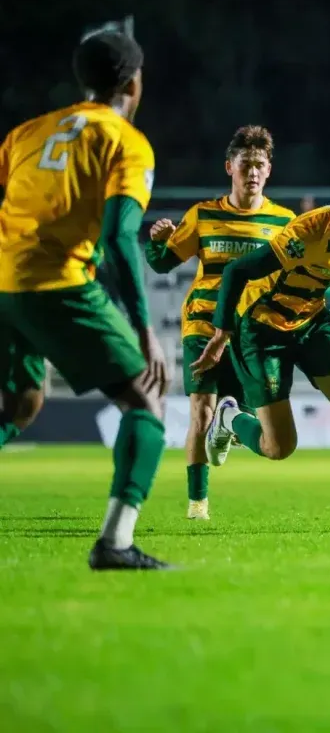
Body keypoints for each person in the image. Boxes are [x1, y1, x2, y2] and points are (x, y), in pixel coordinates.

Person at [0, 30, 171, 569]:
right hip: (58, 283)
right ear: (135, 83)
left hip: (4, 280)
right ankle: (115, 544)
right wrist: (144, 330)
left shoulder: (27, 131)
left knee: (21, 403)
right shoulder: (126, 141)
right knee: (146, 402)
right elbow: (122, 237)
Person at [190, 162, 330, 532]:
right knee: (279, 447)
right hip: (263, 329)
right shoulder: (312, 229)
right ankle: (227, 418)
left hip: (311, 322)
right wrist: (221, 335)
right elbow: (237, 272)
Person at [143, 125, 294, 521]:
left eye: (260, 165)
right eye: (246, 164)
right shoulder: (203, 215)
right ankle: (198, 504)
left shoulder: (284, 222)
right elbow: (161, 263)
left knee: (248, 419)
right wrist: (157, 239)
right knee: (201, 413)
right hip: (203, 325)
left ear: (269, 171)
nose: (253, 172)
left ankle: (229, 421)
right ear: (230, 167)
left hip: (252, 332)